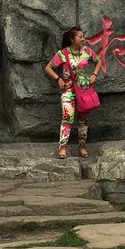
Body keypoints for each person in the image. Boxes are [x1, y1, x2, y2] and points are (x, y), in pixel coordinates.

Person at [44, 26, 100, 159]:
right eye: (80, 37)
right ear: (72, 39)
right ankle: (62, 148)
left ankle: (82, 147)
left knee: (83, 120)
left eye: (83, 36)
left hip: (84, 90)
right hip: (68, 91)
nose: (83, 39)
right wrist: (58, 79)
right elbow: (48, 68)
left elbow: (98, 60)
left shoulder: (87, 51)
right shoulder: (63, 54)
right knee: (67, 117)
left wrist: (94, 75)